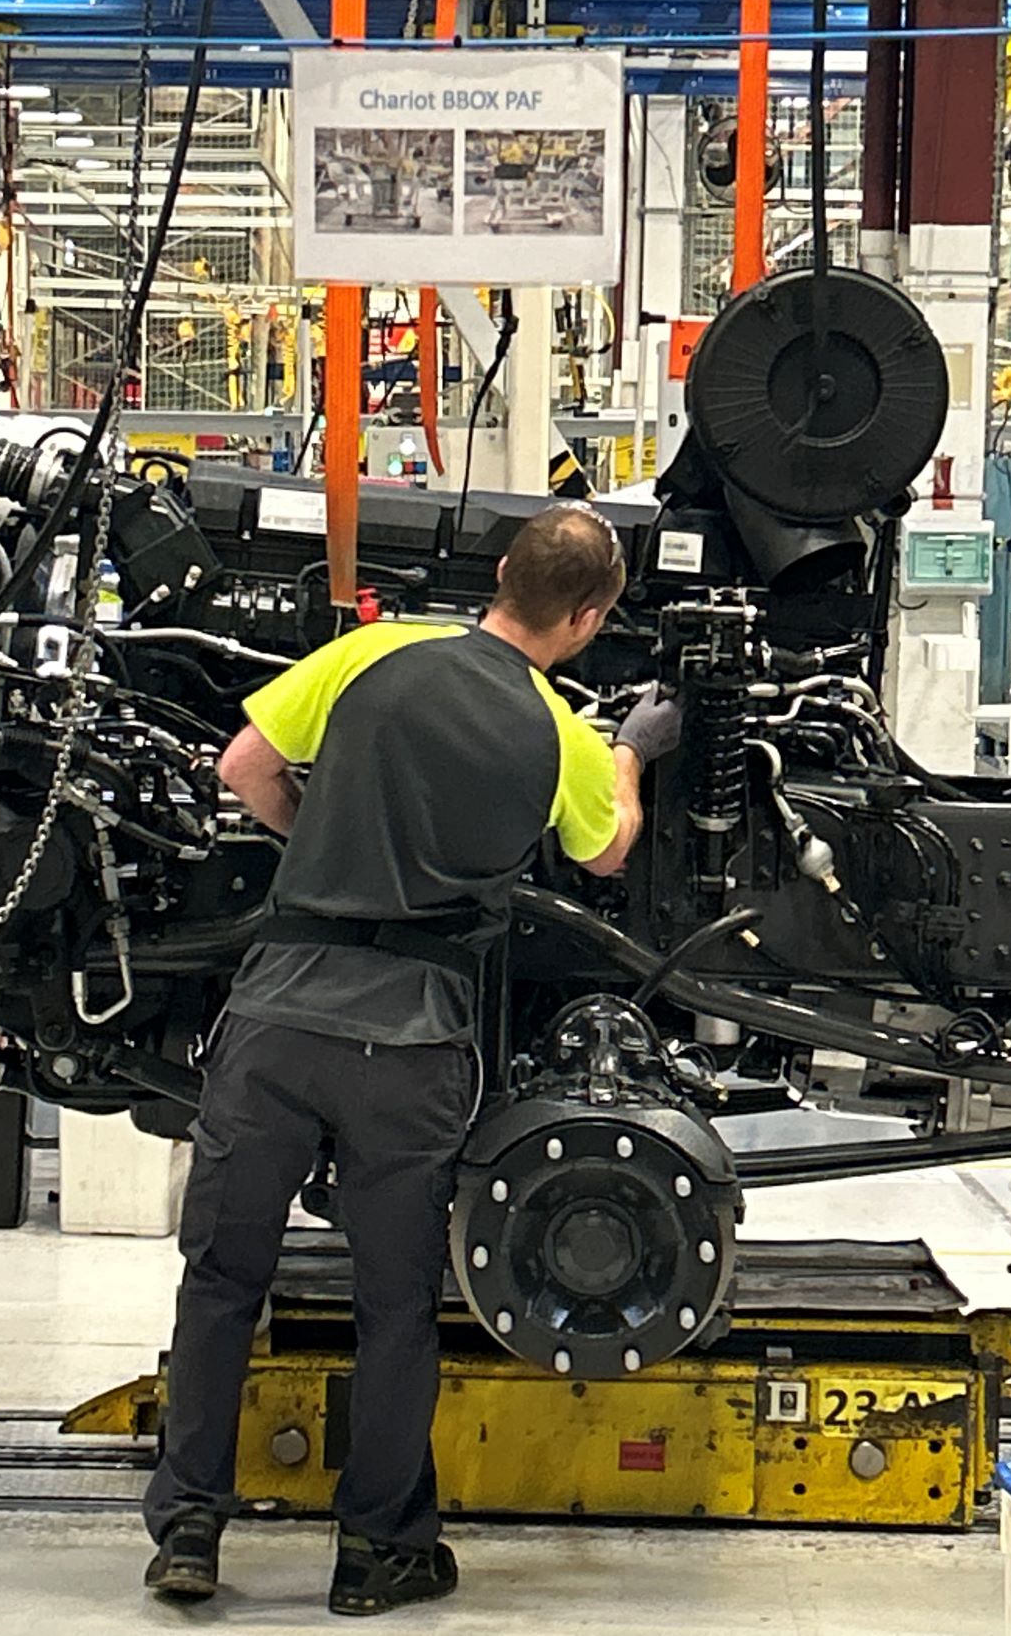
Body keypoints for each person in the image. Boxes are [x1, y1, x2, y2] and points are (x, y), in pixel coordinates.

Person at [142, 501, 681, 1616]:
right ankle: (376, 1553)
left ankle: (189, 1526)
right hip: (412, 1043)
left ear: (501, 570)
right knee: (395, 1303)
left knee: (223, 1278)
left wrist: (320, 838)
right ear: (587, 619)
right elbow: (608, 851)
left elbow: (245, 765)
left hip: (279, 1016)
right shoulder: (562, 735)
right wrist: (632, 748)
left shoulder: (374, 650)